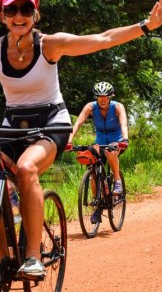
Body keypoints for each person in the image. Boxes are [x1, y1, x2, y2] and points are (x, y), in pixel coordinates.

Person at [0, 0, 162, 279]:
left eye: (25, 9)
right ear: (1, 15)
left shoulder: (49, 45)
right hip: (13, 125)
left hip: (52, 123)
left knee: (27, 169)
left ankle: (32, 257)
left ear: (35, 14)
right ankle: (1, 258)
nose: (18, 15)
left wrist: (147, 25)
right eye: (11, 9)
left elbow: (102, 39)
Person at [67, 82, 128, 222]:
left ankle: (117, 181)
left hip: (116, 141)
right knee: (93, 169)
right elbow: (77, 124)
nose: (102, 99)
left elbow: (124, 123)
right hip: (99, 142)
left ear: (110, 97)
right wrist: (69, 141)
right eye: (99, 97)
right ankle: (98, 207)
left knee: (110, 152)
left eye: (105, 96)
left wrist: (125, 139)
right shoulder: (90, 107)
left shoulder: (118, 107)